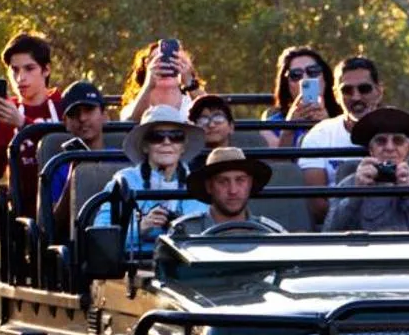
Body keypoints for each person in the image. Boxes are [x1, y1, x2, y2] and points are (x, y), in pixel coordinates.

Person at [322, 108, 409, 234]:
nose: (389, 148)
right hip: (370, 259)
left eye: (398, 141)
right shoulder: (351, 183)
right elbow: (328, 232)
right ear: (371, 150)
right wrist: (356, 194)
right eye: (381, 141)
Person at [94, 105, 206, 251]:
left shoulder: (195, 184)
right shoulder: (124, 182)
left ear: (183, 146)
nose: (167, 142)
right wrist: (140, 228)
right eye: (157, 137)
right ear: (145, 146)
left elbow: (205, 236)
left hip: (183, 268)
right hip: (132, 266)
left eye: (176, 136)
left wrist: (179, 228)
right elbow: (101, 237)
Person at [0, 31, 62, 192]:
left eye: (29, 69)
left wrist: (23, 124)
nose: (20, 78)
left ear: (46, 70)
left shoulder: (63, 106)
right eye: (15, 70)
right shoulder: (4, 115)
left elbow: (70, 153)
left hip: (67, 208)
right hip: (23, 213)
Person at [298, 54, 385, 221]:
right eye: (347, 90)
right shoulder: (319, 135)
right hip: (338, 230)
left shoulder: (399, 132)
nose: (356, 97)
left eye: (364, 89)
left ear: (379, 91)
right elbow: (317, 206)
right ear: (336, 95)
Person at [171, 148, 285, 238]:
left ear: (250, 184)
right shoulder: (185, 231)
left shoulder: (272, 233)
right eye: (222, 181)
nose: (233, 190)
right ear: (209, 186)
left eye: (240, 180)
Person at [44, 79, 112, 213]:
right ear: (66, 122)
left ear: (104, 116)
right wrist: (73, 176)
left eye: (89, 110)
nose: (82, 118)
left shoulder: (122, 159)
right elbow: (54, 225)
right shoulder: (57, 167)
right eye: (74, 113)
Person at [261, 46, 340, 150]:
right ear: (286, 85)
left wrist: (328, 126)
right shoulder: (270, 126)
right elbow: (277, 163)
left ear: (325, 78)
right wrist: (288, 128)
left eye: (313, 71)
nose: (305, 79)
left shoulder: (345, 117)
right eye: (296, 75)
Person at [121, 40, 200, 120]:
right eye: (158, 60)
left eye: (174, 60)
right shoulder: (133, 105)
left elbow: (211, 113)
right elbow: (129, 122)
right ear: (147, 67)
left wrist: (190, 83)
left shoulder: (192, 102)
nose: (166, 65)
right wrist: (148, 85)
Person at [188, 94, 236, 158]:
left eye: (218, 118)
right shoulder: (186, 165)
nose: (211, 125)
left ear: (231, 126)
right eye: (203, 120)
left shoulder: (245, 159)